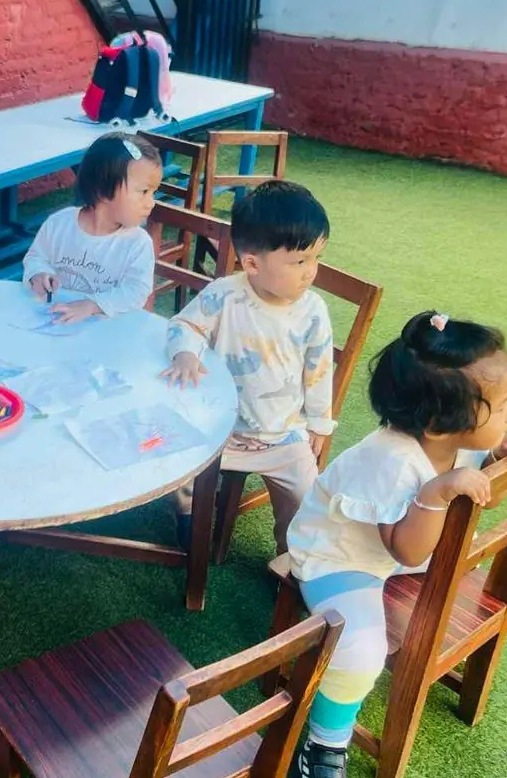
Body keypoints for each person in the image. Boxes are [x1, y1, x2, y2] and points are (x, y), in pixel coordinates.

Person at [287, 311, 507, 778]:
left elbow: (464, 488)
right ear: (440, 423)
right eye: (500, 407)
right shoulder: (393, 461)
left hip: (398, 559)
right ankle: (323, 744)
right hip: (339, 557)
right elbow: (406, 549)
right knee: (362, 647)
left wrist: (500, 448)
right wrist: (435, 493)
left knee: (376, 629)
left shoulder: (454, 443)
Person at [163, 180, 333, 551]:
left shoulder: (313, 311)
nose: (311, 271)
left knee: (307, 500)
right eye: (299, 261)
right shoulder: (225, 294)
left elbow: (319, 369)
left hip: (284, 436)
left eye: (316, 257)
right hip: (218, 432)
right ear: (252, 263)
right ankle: (189, 515)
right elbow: (184, 324)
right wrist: (186, 353)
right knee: (183, 471)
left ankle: (293, 557)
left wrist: (320, 421)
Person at [23, 133, 161, 324]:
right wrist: (38, 273)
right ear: (104, 191)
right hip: (56, 324)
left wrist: (91, 305)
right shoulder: (59, 225)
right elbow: (35, 257)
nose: (151, 203)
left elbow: (135, 292)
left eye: (154, 192)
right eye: (144, 192)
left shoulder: (137, 244)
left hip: (106, 335)